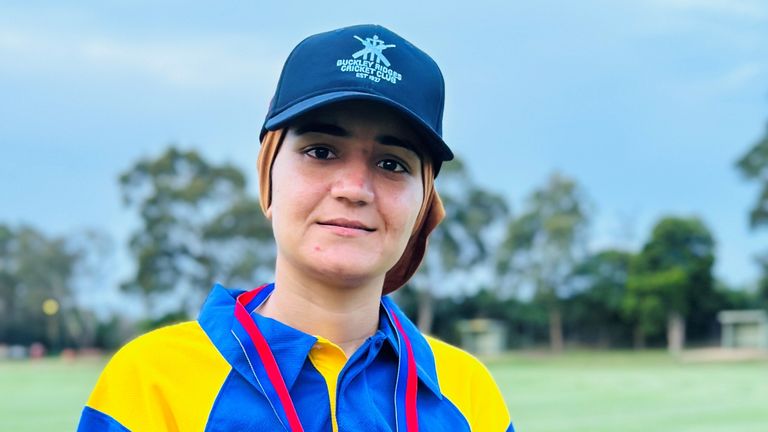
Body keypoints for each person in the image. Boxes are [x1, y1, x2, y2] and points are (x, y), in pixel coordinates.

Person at [78, 24, 513, 432]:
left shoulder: (469, 395)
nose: (354, 189)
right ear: (267, 175)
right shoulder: (150, 383)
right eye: (321, 152)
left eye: (391, 164)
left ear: (423, 205)